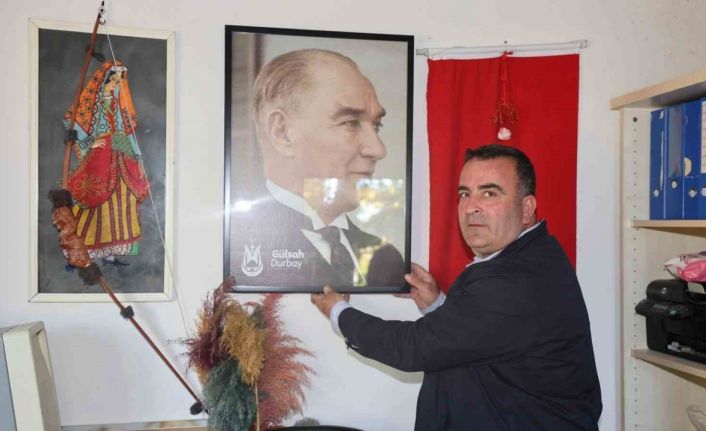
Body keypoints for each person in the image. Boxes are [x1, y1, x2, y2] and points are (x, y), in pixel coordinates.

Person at [312, 144, 602, 430]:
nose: (471, 207)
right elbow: (481, 340)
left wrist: (338, 312)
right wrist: (437, 304)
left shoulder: (517, 279)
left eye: (489, 193)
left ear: (527, 209)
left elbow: (413, 347)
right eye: (465, 194)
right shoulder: (524, 258)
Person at [230, 49, 404, 290]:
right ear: (282, 133)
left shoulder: (386, 259)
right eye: (350, 123)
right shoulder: (236, 247)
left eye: (377, 125)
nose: (378, 149)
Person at [64, 60, 148, 266]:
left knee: (123, 198)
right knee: (96, 195)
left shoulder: (119, 102)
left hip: (121, 151)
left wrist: (137, 158)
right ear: (107, 78)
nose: (118, 84)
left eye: (120, 81)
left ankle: (111, 255)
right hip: (101, 155)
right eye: (115, 80)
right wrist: (89, 142)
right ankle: (84, 252)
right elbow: (71, 120)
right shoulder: (94, 99)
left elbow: (127, 131)